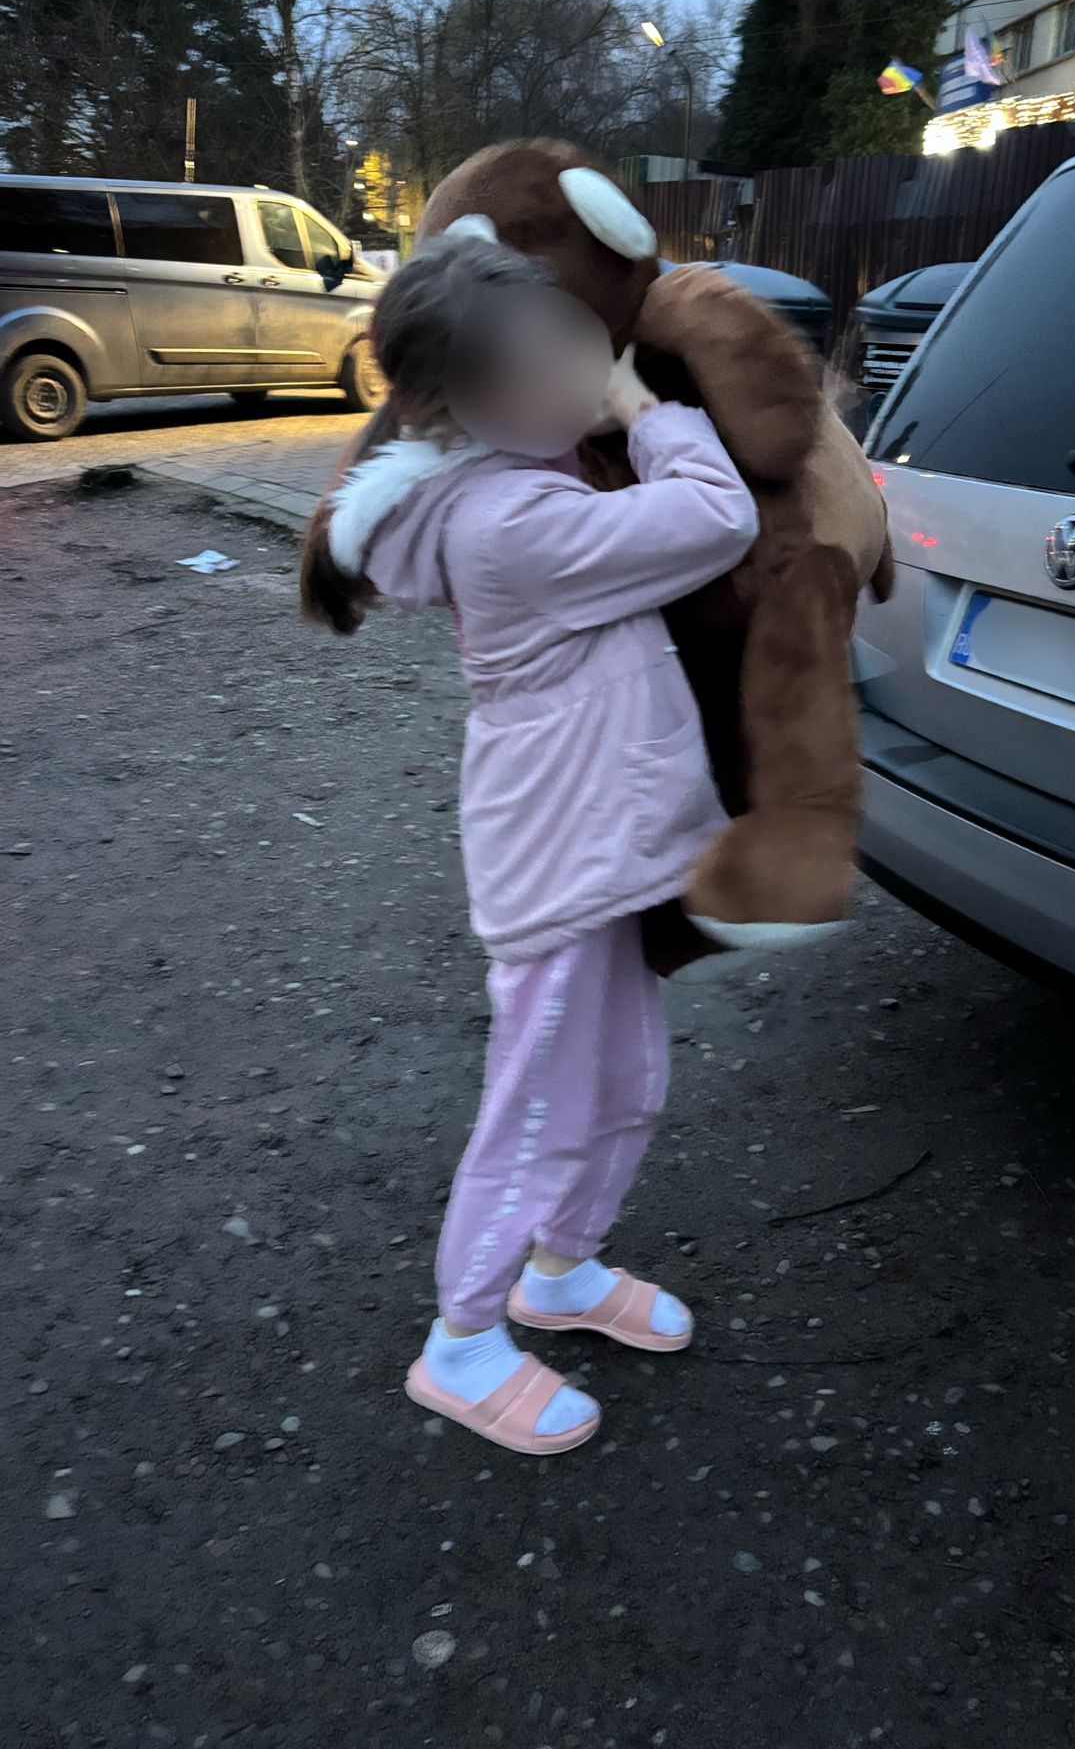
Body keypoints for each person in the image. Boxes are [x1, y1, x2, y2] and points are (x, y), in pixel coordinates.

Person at [301, 231, 759, 1454]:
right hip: (561, 857)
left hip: (601, 845)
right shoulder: (509, 520)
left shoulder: (525, 477)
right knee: (541, 1100)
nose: (574, 376)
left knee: (625, 1080)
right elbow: (714, 517)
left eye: (577, 344)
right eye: (536, 368)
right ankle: (460, 1338)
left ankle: (562, 1268)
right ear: (456, 407)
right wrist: (646, 409)